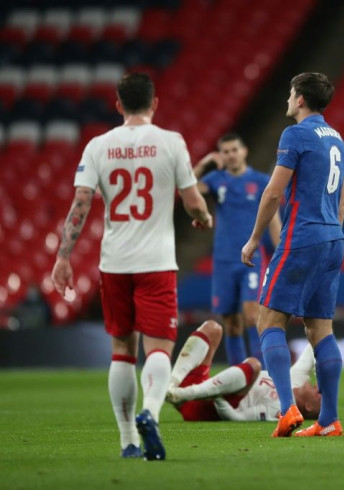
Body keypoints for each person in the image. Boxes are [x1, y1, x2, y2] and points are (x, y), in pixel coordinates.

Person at [50, 72, 213, 461]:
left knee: (122, 349)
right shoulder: (171, 142)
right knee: (159, 347)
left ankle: (128, 441)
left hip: (115, 262)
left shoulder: (98, 146)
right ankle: (150, 413)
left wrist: (63, 256)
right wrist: (203, 217)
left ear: (118, 104)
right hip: (156, 261)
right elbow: (192, 201)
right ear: (155, 103)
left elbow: (81, 205)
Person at [241, 72, 344, 438]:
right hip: (334, 237)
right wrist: (331, 234)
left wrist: (255, 239)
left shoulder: (295, 135)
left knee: (268, 322)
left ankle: (286, 410)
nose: (287, 99)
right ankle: (329, 420)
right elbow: (343, 199)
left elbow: (273, 192)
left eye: (290, 92)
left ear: (300, 99)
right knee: (320, 329)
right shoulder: (337, 139)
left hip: (302, 237)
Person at [193, 134, 282, 366]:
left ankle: (261, 374)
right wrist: (203, 164)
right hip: (223, 261)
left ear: (244, 151)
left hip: (251, 259)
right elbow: (187, 189)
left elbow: (273, 220)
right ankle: (238, 377)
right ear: (221, 155)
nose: (230, 155)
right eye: (225, 151)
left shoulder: (262, 181)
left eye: (234, 150)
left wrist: (282, 253)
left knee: (252, 315)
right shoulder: (215, 179)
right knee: (231, 322)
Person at [165, 320, 321, 422]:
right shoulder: (296, 378)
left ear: (308, 406)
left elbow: (236, 417)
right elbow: (314, 344)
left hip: (203, 408)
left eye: (319, 394)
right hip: (202, 390)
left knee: (254, 365)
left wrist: (217, 395)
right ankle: (172, 387)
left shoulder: (281, 411)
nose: (318, 387)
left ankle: (184, 394)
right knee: (212, 328)